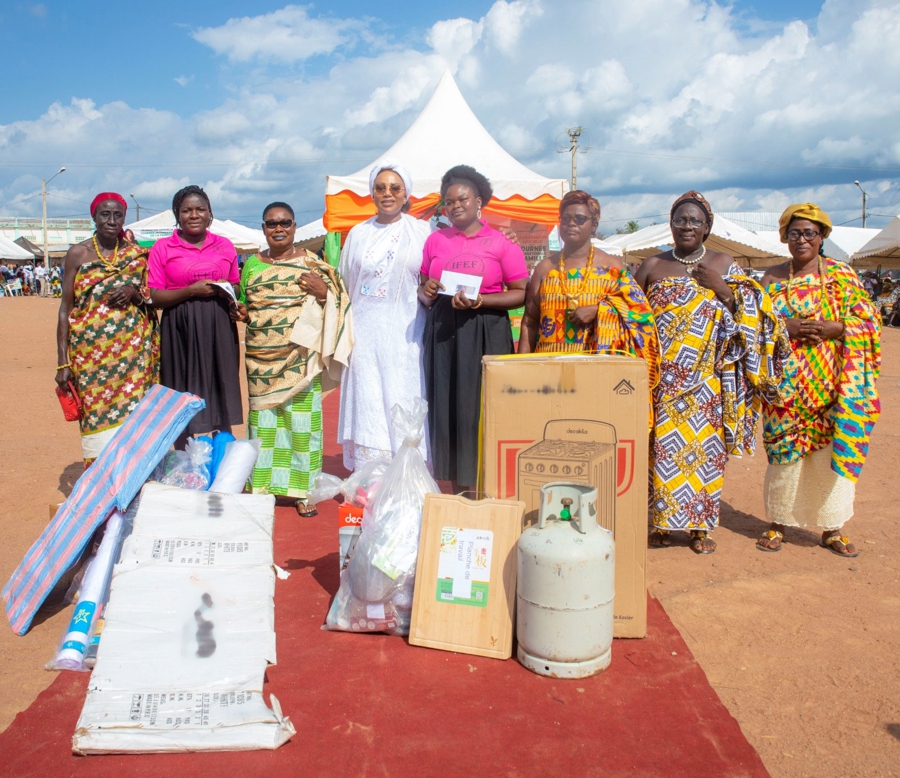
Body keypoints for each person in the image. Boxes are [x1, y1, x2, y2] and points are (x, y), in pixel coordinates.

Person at [634, 191, 787, 554]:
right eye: (679, 220)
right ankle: (661, 524)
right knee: (661, 451)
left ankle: (700, 528)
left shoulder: (724, 262)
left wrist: (723, 290)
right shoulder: (652, 265)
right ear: (670, 225)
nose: (686, 226)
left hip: (708, 379)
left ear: (707, 227)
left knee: (705, 452)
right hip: (662, 379)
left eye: (694, 221)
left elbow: (755, 315)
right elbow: (632, 316)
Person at [756, 204, 880, 557]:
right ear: (785, 237)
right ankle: (778, 521)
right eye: (794, 233)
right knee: (784, 454)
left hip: (831, 385)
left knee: (829, 455)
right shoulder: (773, 278)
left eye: (810, 233)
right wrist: (786, 327)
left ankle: (832, 527)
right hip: (785, 388)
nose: (802, 239)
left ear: (822, 236)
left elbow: (868, 323)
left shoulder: (843, 276)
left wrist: (834, 328)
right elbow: (756, 326)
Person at [234, 202, 351, 515]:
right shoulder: (252, 266)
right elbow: (247, 304)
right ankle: (261, 489)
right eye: (271, 223)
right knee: (263, 427)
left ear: (295, 226)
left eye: (284, 222)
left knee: (303, 428)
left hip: (300, 360)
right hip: (260, 361)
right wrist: (242, 312)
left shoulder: (313, 264)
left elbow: (341, 301)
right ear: (263, 229)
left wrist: (323, 292)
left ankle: (303, 492)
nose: (278, 228)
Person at [419, 165, 528, 491]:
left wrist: (482, 301)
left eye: (462, 199)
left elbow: (522, 291)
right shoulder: (435, 240)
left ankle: (485, 488)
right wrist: (426, 290)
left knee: (480, 408)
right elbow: (425, 282)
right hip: (443, 332)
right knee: (447, 407)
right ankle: (455, 490)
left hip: (485, 331)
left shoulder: (501, 242)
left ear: (479, 201)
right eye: (448, 202)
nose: (455, 206)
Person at [338, 161, 431, 471]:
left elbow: (431, 275)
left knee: (403, 395)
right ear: (371, 193)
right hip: (364, 334)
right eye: (380, 188)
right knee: (368, 401)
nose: (387, 193)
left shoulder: (420, 230)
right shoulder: (357, 233)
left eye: (395, 188)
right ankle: (371, 474)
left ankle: (407, 472)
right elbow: (345, 281)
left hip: (405, 332)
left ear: (406, 193)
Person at [55, 193, 159, 465]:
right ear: (94, 217)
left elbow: (150, 294)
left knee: (135, 415)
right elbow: (65, 309)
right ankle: (100, 481)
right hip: (90, 358)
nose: (111, 221)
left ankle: (134, 478)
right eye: (105, 214)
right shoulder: (78, 253)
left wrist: (133, 290)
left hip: (134, 354)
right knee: (95, 415)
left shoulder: (137, 254)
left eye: (118, 215)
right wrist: (61, 362)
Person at [518, 190, 659, 384]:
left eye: (579, 218)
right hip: (550, 373)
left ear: (594, 225)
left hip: (598, 374)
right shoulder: (545, 268)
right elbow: (529, 323)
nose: (571, 223)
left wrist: (599, 310)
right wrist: (523, 370)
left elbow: (641, 314)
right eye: (565, 218)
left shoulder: (612, 267)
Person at [148, 185, 242, 444]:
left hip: (218, 324)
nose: (194, 214)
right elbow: (155, 296)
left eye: (200, 209)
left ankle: (223, 455)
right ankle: (182, 458)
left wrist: (227, 292)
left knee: (220, 386)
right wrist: (190, 291)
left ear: (210, 213)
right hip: (179, 327)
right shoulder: (162, 247)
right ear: (177, 215)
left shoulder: (224, 245)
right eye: (186, 210)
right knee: (182, 389)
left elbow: (236, 284)